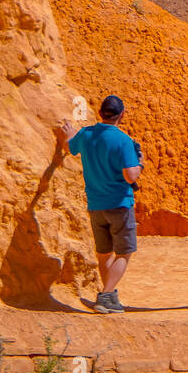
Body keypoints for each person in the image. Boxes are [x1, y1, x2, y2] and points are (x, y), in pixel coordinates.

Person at [58, 95, 143, 314]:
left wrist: (68, 135)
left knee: (104, 253)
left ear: (100, 113)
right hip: (119, 204)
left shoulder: (86, 134)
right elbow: (131, 176)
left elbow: (69, 147)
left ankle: (110, 297)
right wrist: (140, 163)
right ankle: (105, 296)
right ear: (121, 115)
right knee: (124, 253)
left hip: (95, 204)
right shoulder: (123, 141)